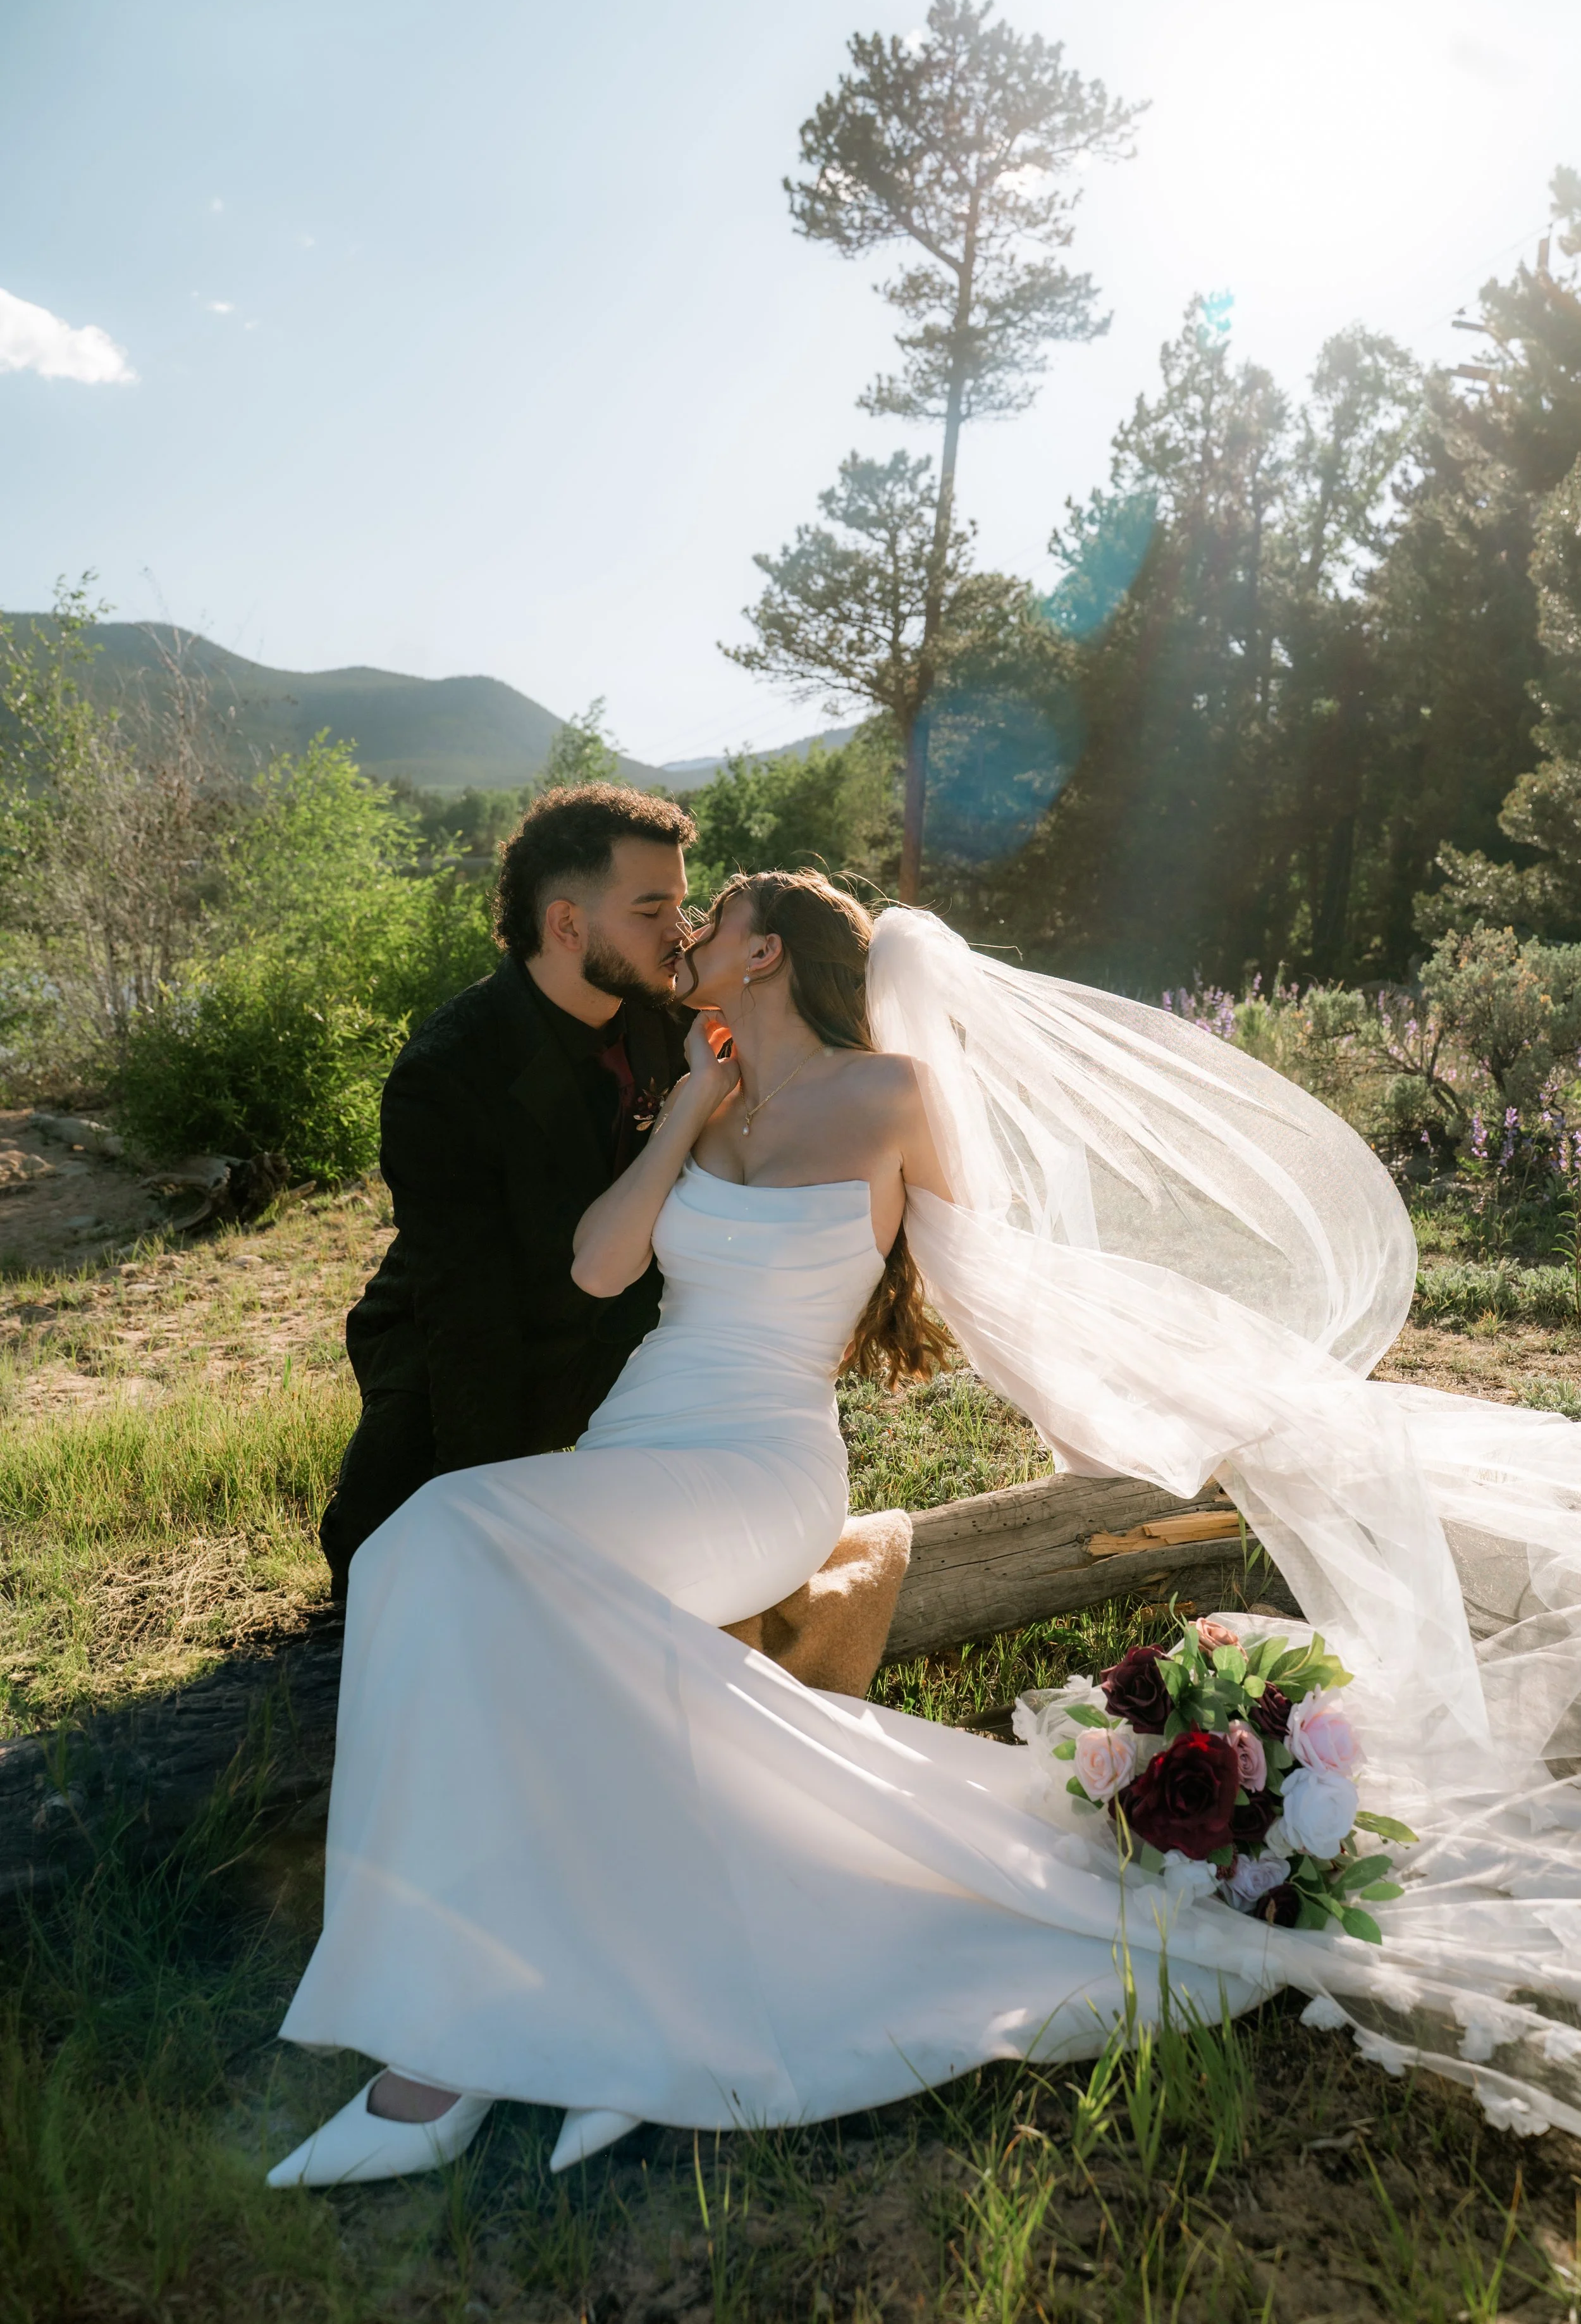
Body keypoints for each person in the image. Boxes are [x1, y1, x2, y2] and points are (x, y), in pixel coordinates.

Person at [269, 875, 1581, 2188]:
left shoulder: (890, 1098)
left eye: (708, 922)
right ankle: (620, 2005)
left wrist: (1106, 1417)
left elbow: (992, 1268)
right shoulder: (701, 1096)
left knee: (433, 1539)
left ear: (765, 953)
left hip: (754, 1462)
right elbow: (602, 1267)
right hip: (636, 1445)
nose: (685, 939)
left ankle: (441, 2063)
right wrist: (682, 1107)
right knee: (451, 1576)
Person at [317, 784, 696, 1603]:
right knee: (382, 1572)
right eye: (652, 910)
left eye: (683, 905)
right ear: (566, 924)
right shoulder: (447, 1073)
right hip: (473, 1333)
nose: (681, 933)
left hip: (636, 1326)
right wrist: (482, 1513)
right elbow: (466, 1315)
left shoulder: (674, 1023)